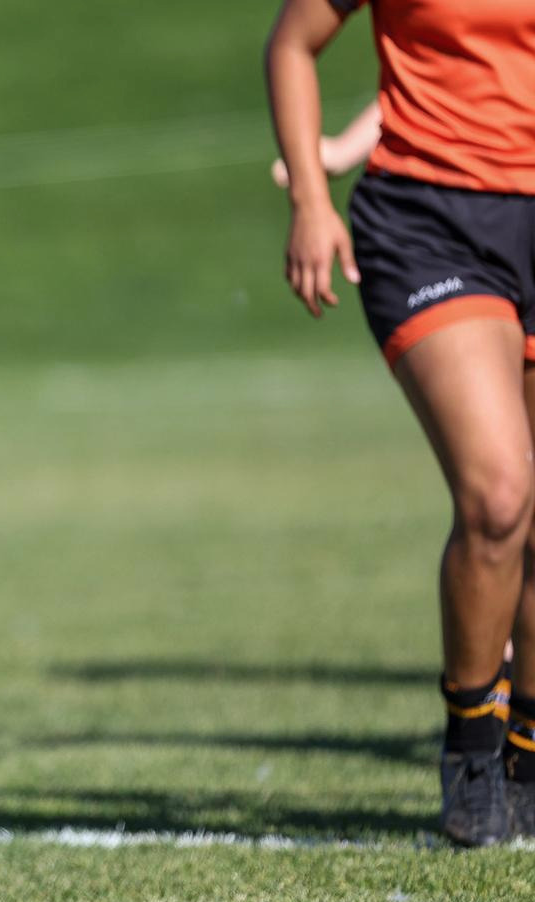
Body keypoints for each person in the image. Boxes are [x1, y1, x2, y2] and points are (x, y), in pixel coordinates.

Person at [266, 0, 535, 845]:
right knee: (498, 494)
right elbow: (293, 43)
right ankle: (472, 748)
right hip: (429, 225)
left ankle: (528, 750)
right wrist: (314, 197)